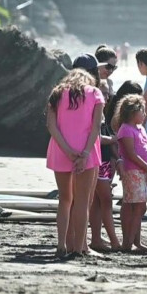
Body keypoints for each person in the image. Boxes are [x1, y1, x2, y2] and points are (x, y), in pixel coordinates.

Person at [46, 58, 104, 258]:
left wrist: (68, 151)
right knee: (81, 201)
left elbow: (52, 127)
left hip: (61, 151)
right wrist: (84, 153)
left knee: (64, 199)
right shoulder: (95, 93)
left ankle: (61, 244)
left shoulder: (56, 94)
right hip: (85, 151)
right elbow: (96, 128)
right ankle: (79, 248)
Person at [113, 94, 147, 252]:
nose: (145, 114)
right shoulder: (125, 129)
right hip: (134, 171)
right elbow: (130, 154)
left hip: (143, 172)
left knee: (140, 207)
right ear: (133, 112)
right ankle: (128, 242)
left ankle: (136, 241)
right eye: (142, 111)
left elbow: (145, 149)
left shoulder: (141, 128)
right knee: (138, 206)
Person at [89, 79, 121, 252]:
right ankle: (114, 240)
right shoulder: (93, 111)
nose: (107, 97)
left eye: (108, 93)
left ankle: (96, 239)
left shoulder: (102, 113)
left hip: (106, 162)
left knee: (98, 203)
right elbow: (95, 137)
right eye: (104, 93)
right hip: (99, 162)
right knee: (106, 200)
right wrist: (114, 140)